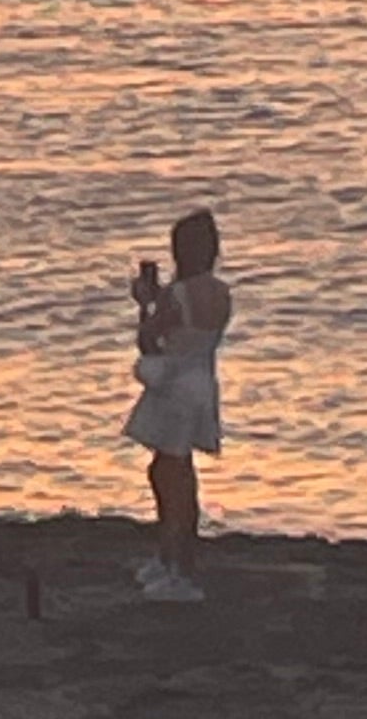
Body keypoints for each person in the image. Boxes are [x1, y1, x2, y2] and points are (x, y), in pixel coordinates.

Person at [123, 208, 230, 602]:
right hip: (201, 384)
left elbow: (149, 341)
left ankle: (177, 569)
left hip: (173, 389)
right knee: (179, 473)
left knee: (170, 478)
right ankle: (173, 558)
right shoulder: (221, 293)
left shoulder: (177, 294)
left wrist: (144, 303)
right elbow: (194, 333)